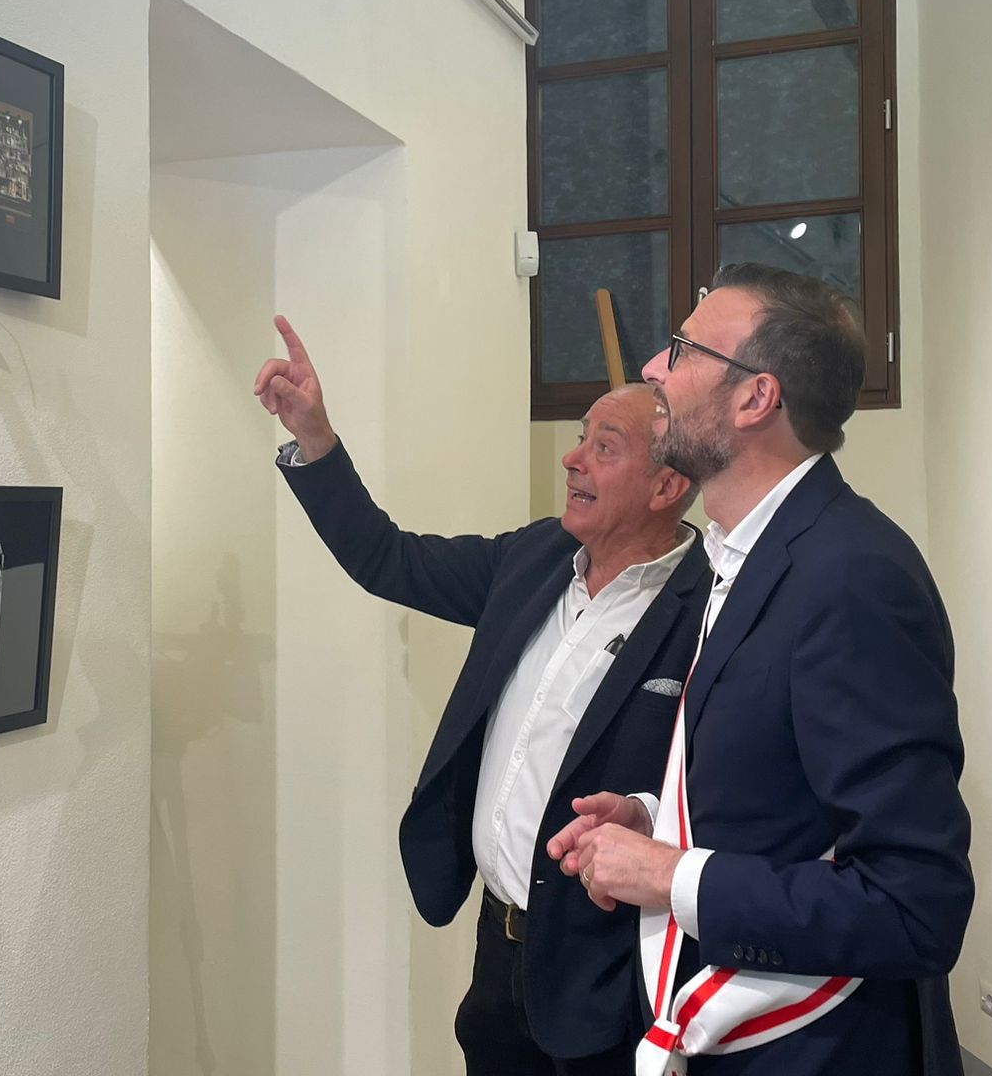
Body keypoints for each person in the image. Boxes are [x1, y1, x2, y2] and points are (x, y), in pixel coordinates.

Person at [255, 315, 713, 1075]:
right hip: (498, 954)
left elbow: (725, 790)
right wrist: (315, 439)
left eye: (604, 448)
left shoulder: (708, 608)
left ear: (667, 486)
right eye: (581, 437)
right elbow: (389, 559)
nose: (572, 458)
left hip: (609, 971)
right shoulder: (535, 557)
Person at [547, 264, 973, 1075]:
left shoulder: (851, 574)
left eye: (682, 351)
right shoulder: (744, 554)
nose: (653, 368)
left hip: (816, 1050)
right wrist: (654, 819)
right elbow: (787, 796)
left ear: (755, 399)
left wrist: (674, 875)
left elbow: (914, 904)